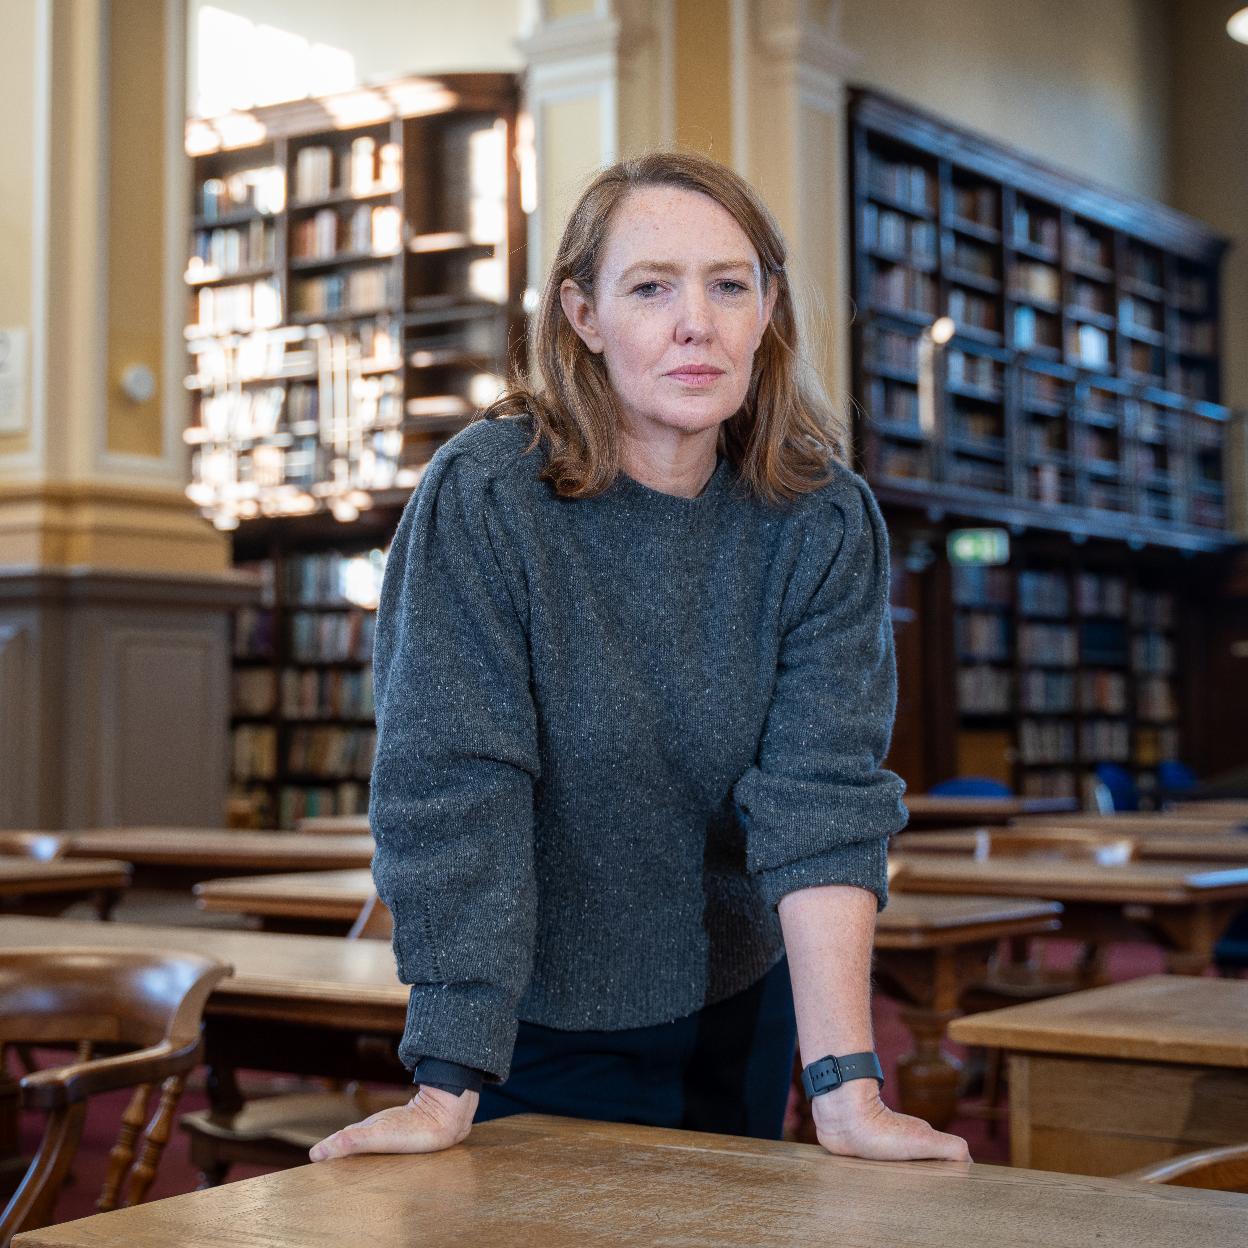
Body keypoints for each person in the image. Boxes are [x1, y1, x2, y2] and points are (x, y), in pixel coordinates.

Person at [310, 151, 969, 1165]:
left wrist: (845, 1086)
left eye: (729, 284)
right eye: (650, 287)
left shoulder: (823, 516)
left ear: (768, 308)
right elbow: (454, 786)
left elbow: (823, 798)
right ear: (582, 315)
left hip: (741, 997)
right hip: (531, 1019)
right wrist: (446, 1079)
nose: (694, 323)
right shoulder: (487, 495)